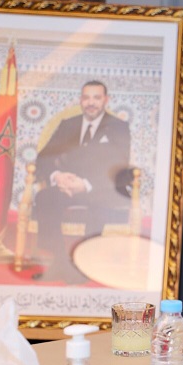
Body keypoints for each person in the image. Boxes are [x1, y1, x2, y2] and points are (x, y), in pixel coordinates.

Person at [33, 80, 131, 283]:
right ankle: (59, 261)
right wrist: (57, 176)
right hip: (67, 186)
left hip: (99, 188)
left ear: (106, 100)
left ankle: (84, 264)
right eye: (86, 98)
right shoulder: (68, 125)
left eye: (96, 97)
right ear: (80, 100)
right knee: (44, 197)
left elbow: (120, 165)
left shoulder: (118, 127)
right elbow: (44, 157)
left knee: (99, 205)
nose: (91, 103)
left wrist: (85, 184)